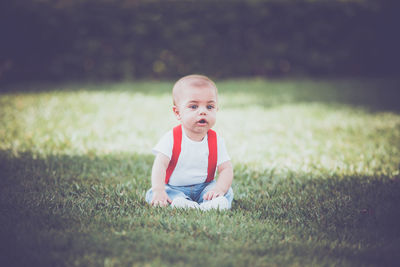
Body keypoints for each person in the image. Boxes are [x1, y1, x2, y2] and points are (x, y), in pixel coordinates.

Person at [145, 74, 234, 210]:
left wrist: (219, 189)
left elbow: (226, 169)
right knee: (154, 193)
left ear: (216, 109)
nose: (203, 112)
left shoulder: (216, 141)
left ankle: (211, 203)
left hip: (204, 187)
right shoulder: (171, 138)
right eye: (193, 107)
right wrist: (159, 190)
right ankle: (182, 203)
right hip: (175, 188)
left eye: (209, 107)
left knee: (227, 191)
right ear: (178, 113)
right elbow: (160, 165)